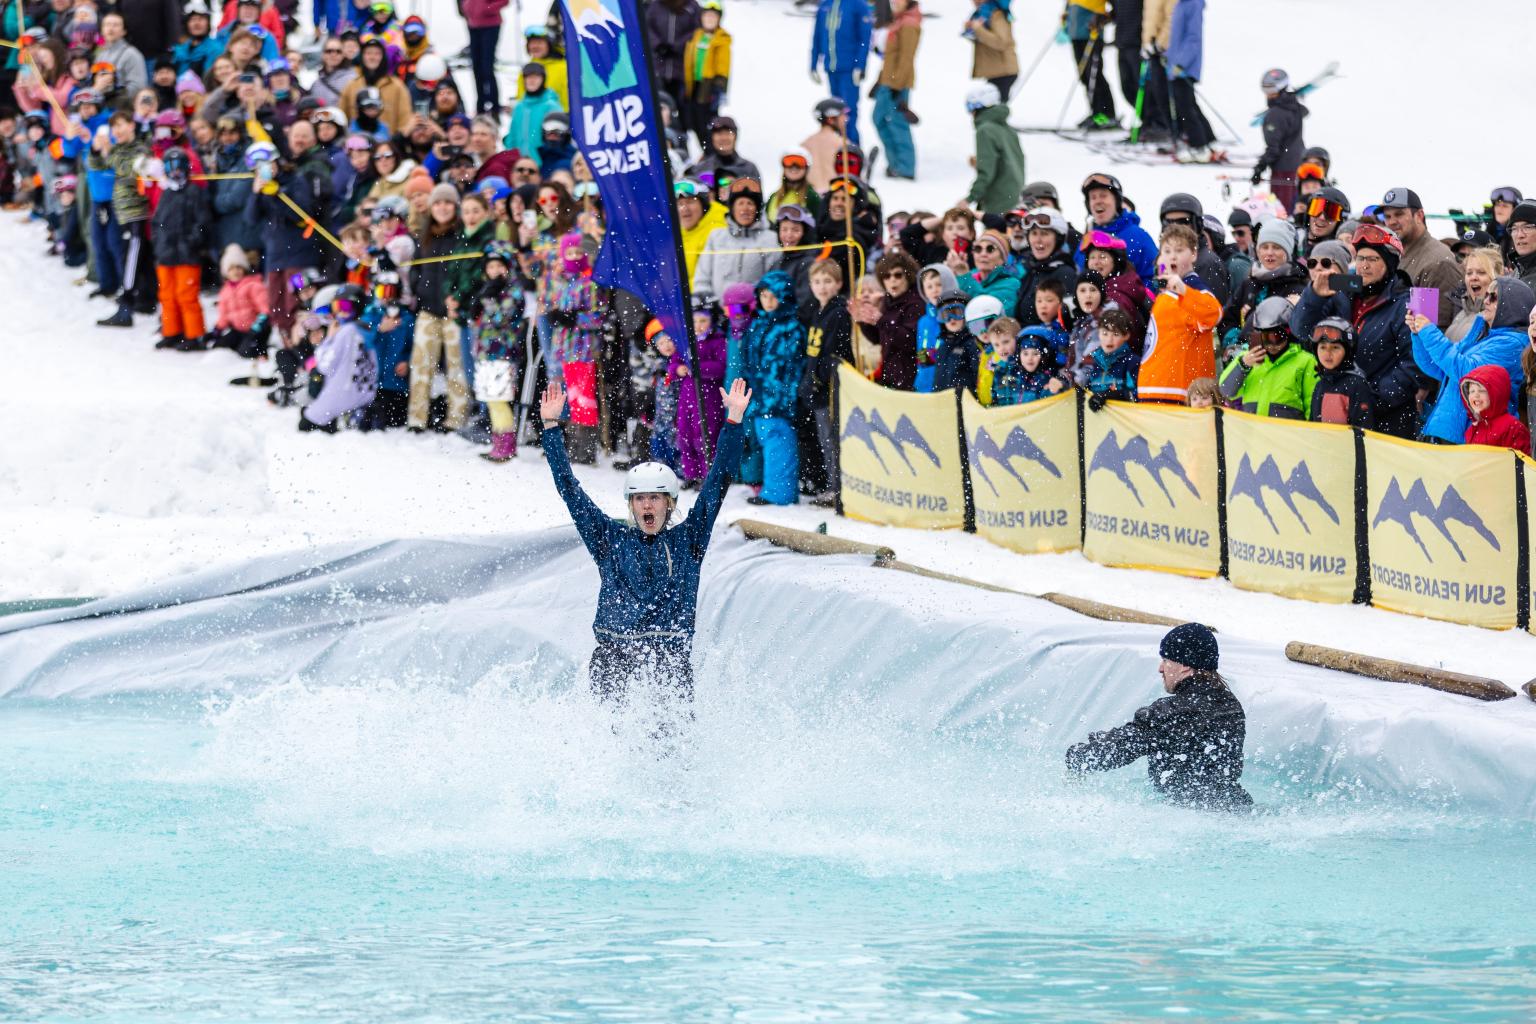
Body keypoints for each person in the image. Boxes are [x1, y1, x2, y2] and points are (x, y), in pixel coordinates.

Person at [537, 377, 751, 705]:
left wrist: (733, 421)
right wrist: (551, 427)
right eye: (639, 499)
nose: (647, 505)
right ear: (631, 505)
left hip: (668, 663)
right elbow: (569, 488)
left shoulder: (689, 540)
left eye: (655, 498)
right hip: (614, 660)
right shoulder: (608, 539)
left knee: (671, 747)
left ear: (670, 504)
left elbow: (719, 480)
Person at [1066, 622, 1253, 811]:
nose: (1161, 668)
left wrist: (1076, 756)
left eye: (1166, 660)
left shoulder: (1173, 712)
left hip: (1190, 815)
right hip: (1235, 807)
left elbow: (1117, 749)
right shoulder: (1230, 705)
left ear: (1185, 665)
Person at [1291, 224, 1419, 438]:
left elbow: (1415, 365)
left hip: (1387, 420)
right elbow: (1301, 331)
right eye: (1360, 259)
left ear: (1389, 265)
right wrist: (1314, 296)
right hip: (1338, 411)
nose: (1364, 266)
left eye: (1372, 259)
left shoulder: (1410, 302)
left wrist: (1369, 397)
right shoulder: (1341, 292)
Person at [1409, 277, 1534, 445]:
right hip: (1450, 430)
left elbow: (1467, 372)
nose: (1486, 301)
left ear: (1511, 305)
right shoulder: (1481, 331)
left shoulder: (1512, 343)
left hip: (1471, 435)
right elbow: (1436, 368)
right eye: (1487, 295)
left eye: (1494, 297)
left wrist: (1429, 331)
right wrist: (1418, 334)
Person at [1137, 223, 1219, 404]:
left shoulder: (1193, 289)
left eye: (1179, 250)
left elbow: (1214, 314)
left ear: (1194, 255)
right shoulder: (1165, 293)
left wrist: (1183, 290)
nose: (1172, 256)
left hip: (1179, 393)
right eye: (1166, 251)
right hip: (1153, 390)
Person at [742, 270, 804, 505]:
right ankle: (769, 487)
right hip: (759, 394)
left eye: (773, 296)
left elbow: (789, 366)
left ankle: (780, 493)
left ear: (784, 296)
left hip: (779, 396)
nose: (768, 301)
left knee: (778, 440)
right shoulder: (759, 324)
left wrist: (782, 394)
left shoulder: (791, 328)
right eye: (764, 296)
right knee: (764, 439)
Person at [1379, 187, 1463, 329]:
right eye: (1387, 217)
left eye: (1399, 214)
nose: (1391, 222)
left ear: (1419, 216)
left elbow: (1432, 328)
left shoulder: (1435, 262)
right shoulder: (1398, 254)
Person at [1218, 296, 1316, 418]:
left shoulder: (1305, 361)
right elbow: (1226, 391)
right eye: (1266, 338)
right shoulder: (1248, 359)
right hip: (1253, 433)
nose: (1272, 345)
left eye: (1277, 336)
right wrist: (1242, 366)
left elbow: (1312, 405)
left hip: (1287, 434)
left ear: (1288, 333)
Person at [810, 0, 871, 146]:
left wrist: (860, 66)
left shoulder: (858, 5)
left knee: (848, 112)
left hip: (849, 69)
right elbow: (817, 35)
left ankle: (852, 149)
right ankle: (837, 148)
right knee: (833, 113)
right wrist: (813, 63)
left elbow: (865, 38)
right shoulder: (825, 5)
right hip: (831, 69)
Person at [1076, 171, 1157, 281]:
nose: (1098, 201)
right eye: (1093, 197)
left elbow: (1157, 276)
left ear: (1117, 201)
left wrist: (1135, 294)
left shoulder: (1139, 236)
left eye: (1103, 196)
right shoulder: (1086, 240)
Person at [871, 0, 920, 181]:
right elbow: (890, 57)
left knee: (897, 122)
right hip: (887, 81)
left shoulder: (909, 24)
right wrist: (880, 81)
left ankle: (905, 166)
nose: (895, 3)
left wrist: (896, 86)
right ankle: (895, 163)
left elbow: (906, 58)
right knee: (880, 119)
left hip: (897, 84)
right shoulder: (897, 21)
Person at [963, 83, 1025, 218]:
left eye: (970, 107)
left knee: (996, 237)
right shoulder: (1006, 128)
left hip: (998, 200)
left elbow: (987, 171)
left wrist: (970, 198)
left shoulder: (984, 130)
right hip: (1015, 195)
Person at [1250, 68, 1306, 211]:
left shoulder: (1275, 115)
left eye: (1271, 91)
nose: (1268, 95)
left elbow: (1274, 148)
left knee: (1281, 210)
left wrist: (1260, 167)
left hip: (1283, 170)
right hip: (1298, 164)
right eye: (1266, 90)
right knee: (1295, 208)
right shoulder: (1295, 107)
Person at [680, 0, 730, 151]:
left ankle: (711, 152)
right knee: (691, 121)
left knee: (706, 124)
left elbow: (723, 67)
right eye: (707, 16)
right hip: (693, 85)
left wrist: (719, 89)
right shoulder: (696, 36)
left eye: (713, 17)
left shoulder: (721, 39)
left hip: (709, 88)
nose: (710, 19)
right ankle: (703, 151)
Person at [1308, 317, 1375, 428]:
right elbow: (1313, 425)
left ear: (1347, 352)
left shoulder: (1356, 385)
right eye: (1323, 347)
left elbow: (1364, 429)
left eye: (1335, 347)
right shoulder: (1320, 385)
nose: (1328, 353)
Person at [1062, 0, 1116, 131]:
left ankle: (1106, 114)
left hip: (1092, 33)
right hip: (1076, 33)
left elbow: (1118, 6)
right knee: (1084, 76)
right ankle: (1095, 113)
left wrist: (1105, 17)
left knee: (1094, 75)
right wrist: (1065, 19)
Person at [1461, 365, 1530, 452]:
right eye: (1472, 391)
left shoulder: (1512, 427)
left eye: (1482, 390)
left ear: (1496, 394)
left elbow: (1523, 460)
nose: (1476, 395)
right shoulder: (1472, 429)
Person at [1083, 306, 1138, 409]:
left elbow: (1137, 394)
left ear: (1126, 336)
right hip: (1098, 423)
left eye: (1116, 334)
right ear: (1098, 333)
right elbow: (1087, 393)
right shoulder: (1096, 363)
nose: (1109, 339)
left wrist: (1114, 395)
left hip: (1122, 421)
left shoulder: (1132, 362)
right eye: (1105, 333)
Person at [965, 0, 1017, 100]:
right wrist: (970, 29)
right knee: (995, 108)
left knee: (996, 111)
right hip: (995, 71)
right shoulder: (981, 14)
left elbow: (1001, 42)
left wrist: (978, 29)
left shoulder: (996, 14)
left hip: (1003, 72)